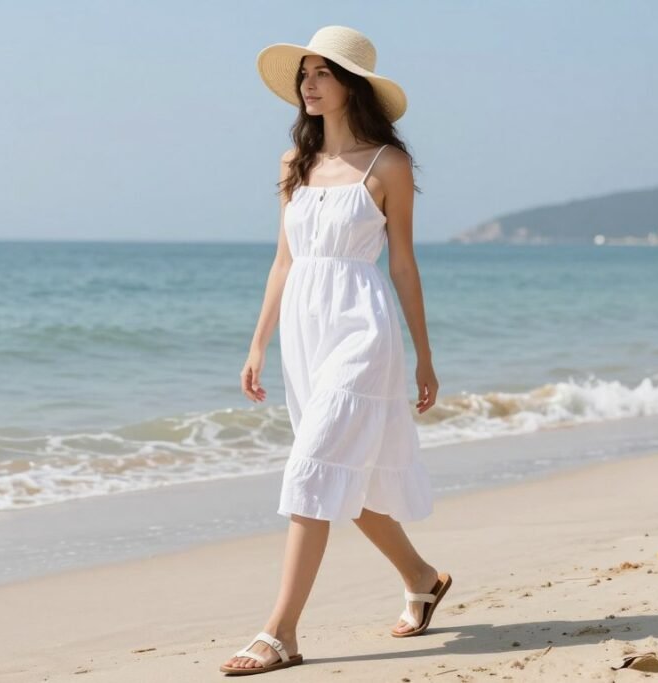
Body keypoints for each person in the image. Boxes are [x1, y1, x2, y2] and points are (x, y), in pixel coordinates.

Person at [221, 26, 452, 676]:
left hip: (362, 330)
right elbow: (284, 261)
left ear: (352, 85)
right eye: (305, 73)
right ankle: (422, 578)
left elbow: (402, 264)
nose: (309, 84)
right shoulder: (293, 165)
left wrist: (424, 355)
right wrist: (257, 344)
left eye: (322, 72)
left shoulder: (388, 165)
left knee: (313, 468)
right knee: (342, 474)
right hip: (304, 332)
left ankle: (281, 632)